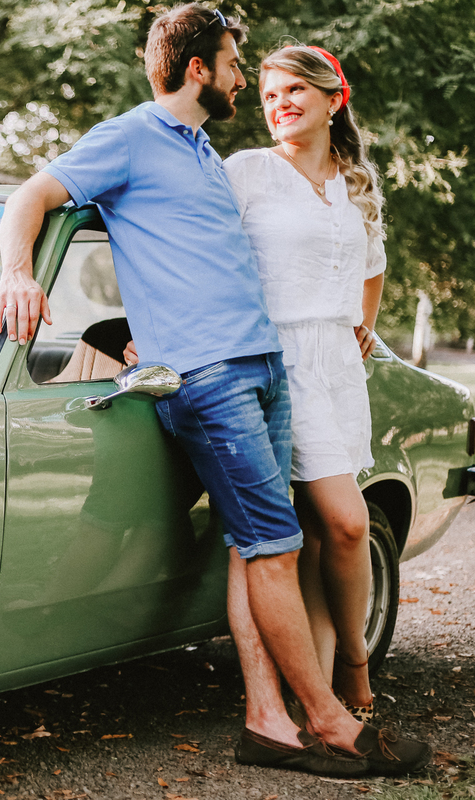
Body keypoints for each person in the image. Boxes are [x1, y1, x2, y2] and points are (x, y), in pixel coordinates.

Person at [0, 3, 429, 776]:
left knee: (251, 547)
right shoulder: (132, 136)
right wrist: (18, 272)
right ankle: (328, 720)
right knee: (274, 544)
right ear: (200, 68)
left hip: (264, 364)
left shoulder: (197, 148)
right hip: (209, 374)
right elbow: (34, 197)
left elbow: (196, 250)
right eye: (237, 68)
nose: (246, 85)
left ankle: (269, 717)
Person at [223, 45, 386, 722]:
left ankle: (320, 685)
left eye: (293, 91)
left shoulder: (356, 183)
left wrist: (364, 324)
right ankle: (355, 658)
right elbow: (204, 257)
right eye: (267, 95)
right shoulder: (248, 172)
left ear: (332, 98)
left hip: (339, 366)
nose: (279, 104)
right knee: (349, 523)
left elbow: (372, 264)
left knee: (323, 536)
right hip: (276, 360)